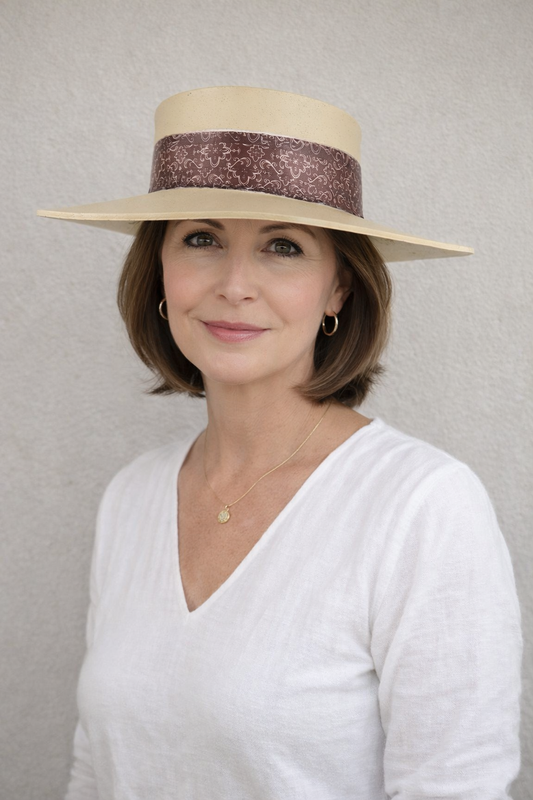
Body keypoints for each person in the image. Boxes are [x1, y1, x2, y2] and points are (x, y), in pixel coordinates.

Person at [39, 86, 522, 800]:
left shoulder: (421, 505)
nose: (234, 285)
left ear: (337, 290)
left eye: (282, 247)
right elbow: (98, 771)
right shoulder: (132, 496)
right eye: (200, 239)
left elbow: (454, 788)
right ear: (159, 273)